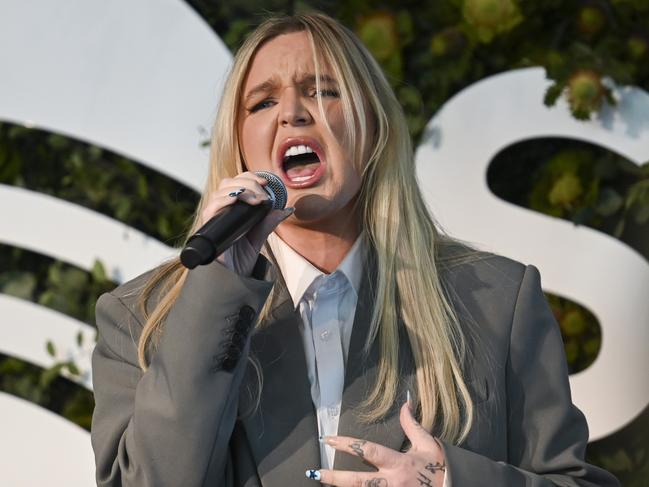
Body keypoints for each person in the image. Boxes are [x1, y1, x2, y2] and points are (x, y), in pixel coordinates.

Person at [90, 12, 619, 487]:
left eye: (322, 91)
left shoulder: (496, 300)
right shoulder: (142, 319)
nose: (292, 113)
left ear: (374, 128)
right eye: (264, 101)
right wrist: (214, 298)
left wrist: (448, 482)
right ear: (240, 142)